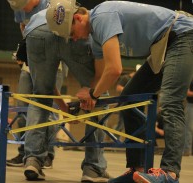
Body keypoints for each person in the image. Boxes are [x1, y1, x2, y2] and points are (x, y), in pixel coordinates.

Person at [46, 0, 193, 182]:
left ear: (78, 18)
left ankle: (169, 173)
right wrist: (89, 94)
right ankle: (136, 169)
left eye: (71, 34)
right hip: (162, 46)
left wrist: (93, 95)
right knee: (129, 99)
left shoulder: (101, 17)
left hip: (182, 34)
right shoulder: (96, 37)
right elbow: (101, 76)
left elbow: (115, 69)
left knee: (171, 102)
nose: (74, 39)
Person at [23, 9, 111, 182]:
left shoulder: (42, 14)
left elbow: (47, 90)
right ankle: (93, 168)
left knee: (40, 95)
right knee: (100, 97)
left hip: (36, 32)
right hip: (65, 32)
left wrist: (65, 109)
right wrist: (92, 93)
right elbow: (99, 80)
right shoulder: (85, 21)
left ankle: (33, 159)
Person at [6, 0, 66, 168]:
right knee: (22, 105)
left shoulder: (54, 5)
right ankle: (24, 152)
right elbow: (23, 28)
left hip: (55, 60)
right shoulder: (18, 6)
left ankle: (47, 154)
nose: (22, 11)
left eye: (24, 6)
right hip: (33, 57)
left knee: (49, 107)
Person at [183, 80, 193, 156]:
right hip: (190, 105)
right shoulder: (191, 79)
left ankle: (187, 150)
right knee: (188, 129)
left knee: (188, 129)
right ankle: (187, 150)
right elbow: (186, 92)